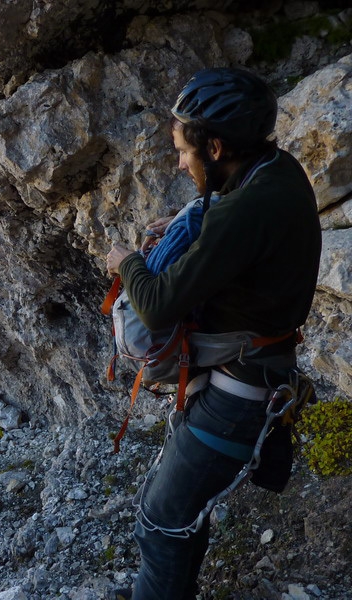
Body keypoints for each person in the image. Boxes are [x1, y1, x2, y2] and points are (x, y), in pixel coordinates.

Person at [105, 68, 322, 599]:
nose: (181, 163)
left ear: (218, 146)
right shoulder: (277, 170)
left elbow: (155, 308)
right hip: (257, 377)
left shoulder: (243, 210)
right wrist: (190, 228)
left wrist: (127, 262)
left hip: (238, 395)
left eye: (184, 151)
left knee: (160, 520)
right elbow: (238, 230)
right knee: (180, 512)